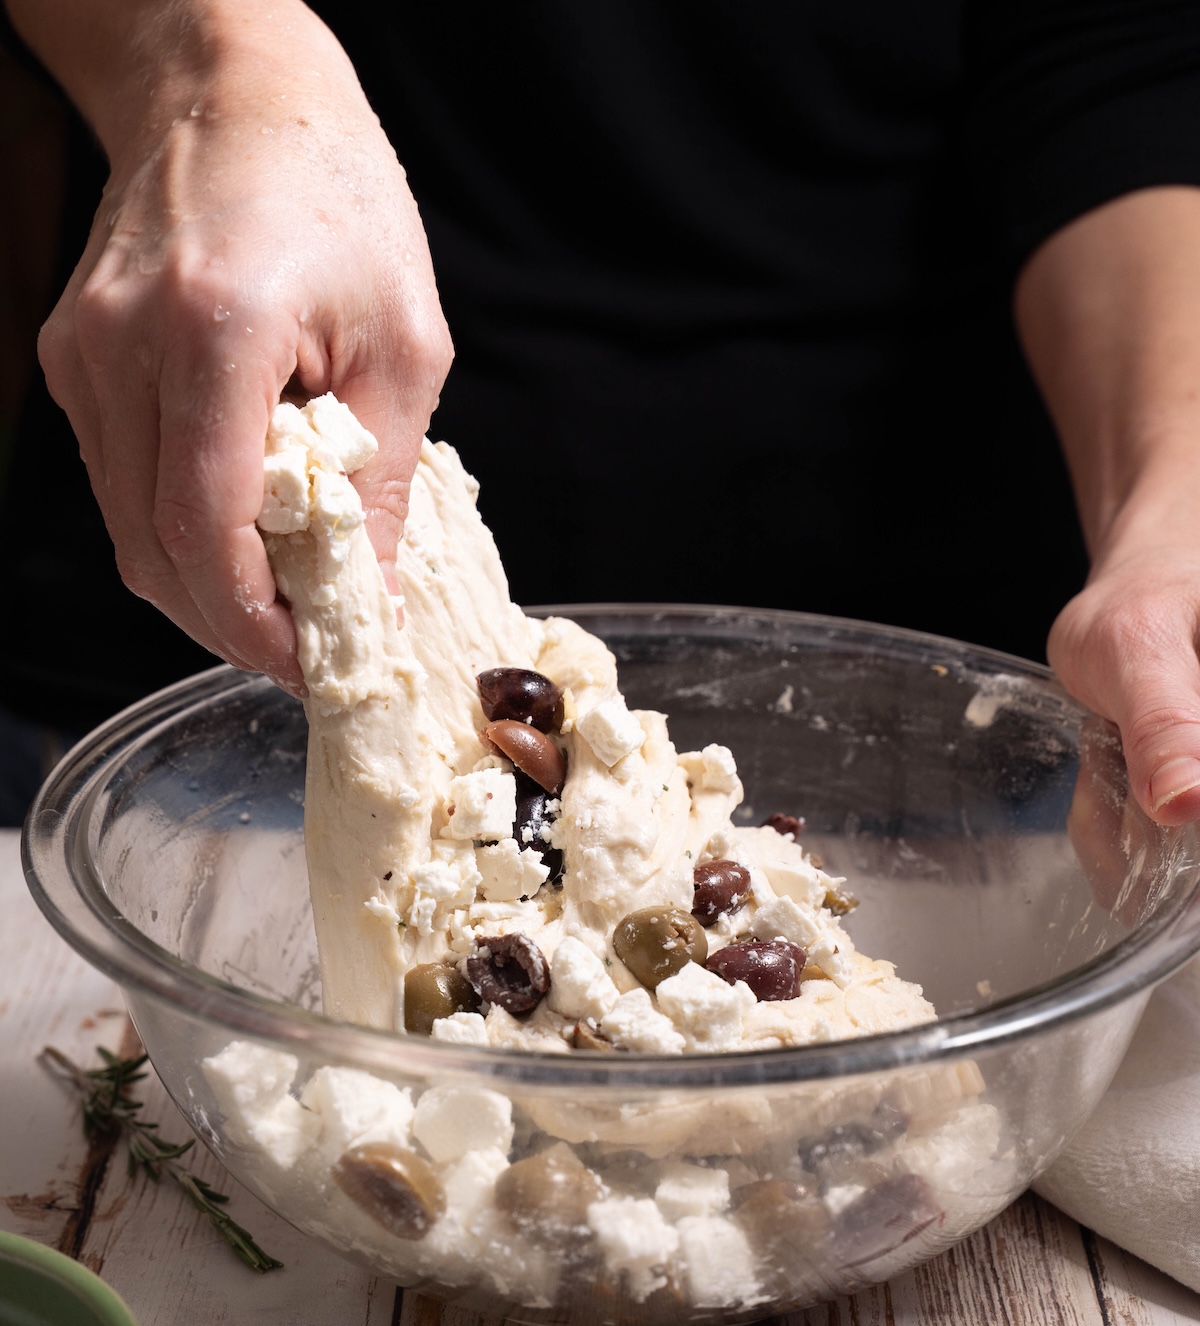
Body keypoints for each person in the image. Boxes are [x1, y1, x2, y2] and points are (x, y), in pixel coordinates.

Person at [4, 0, 1200, 825]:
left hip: (967, 751)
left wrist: (1172, 514)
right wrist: (212, 67)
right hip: (190, 714)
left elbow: (1121, 70)